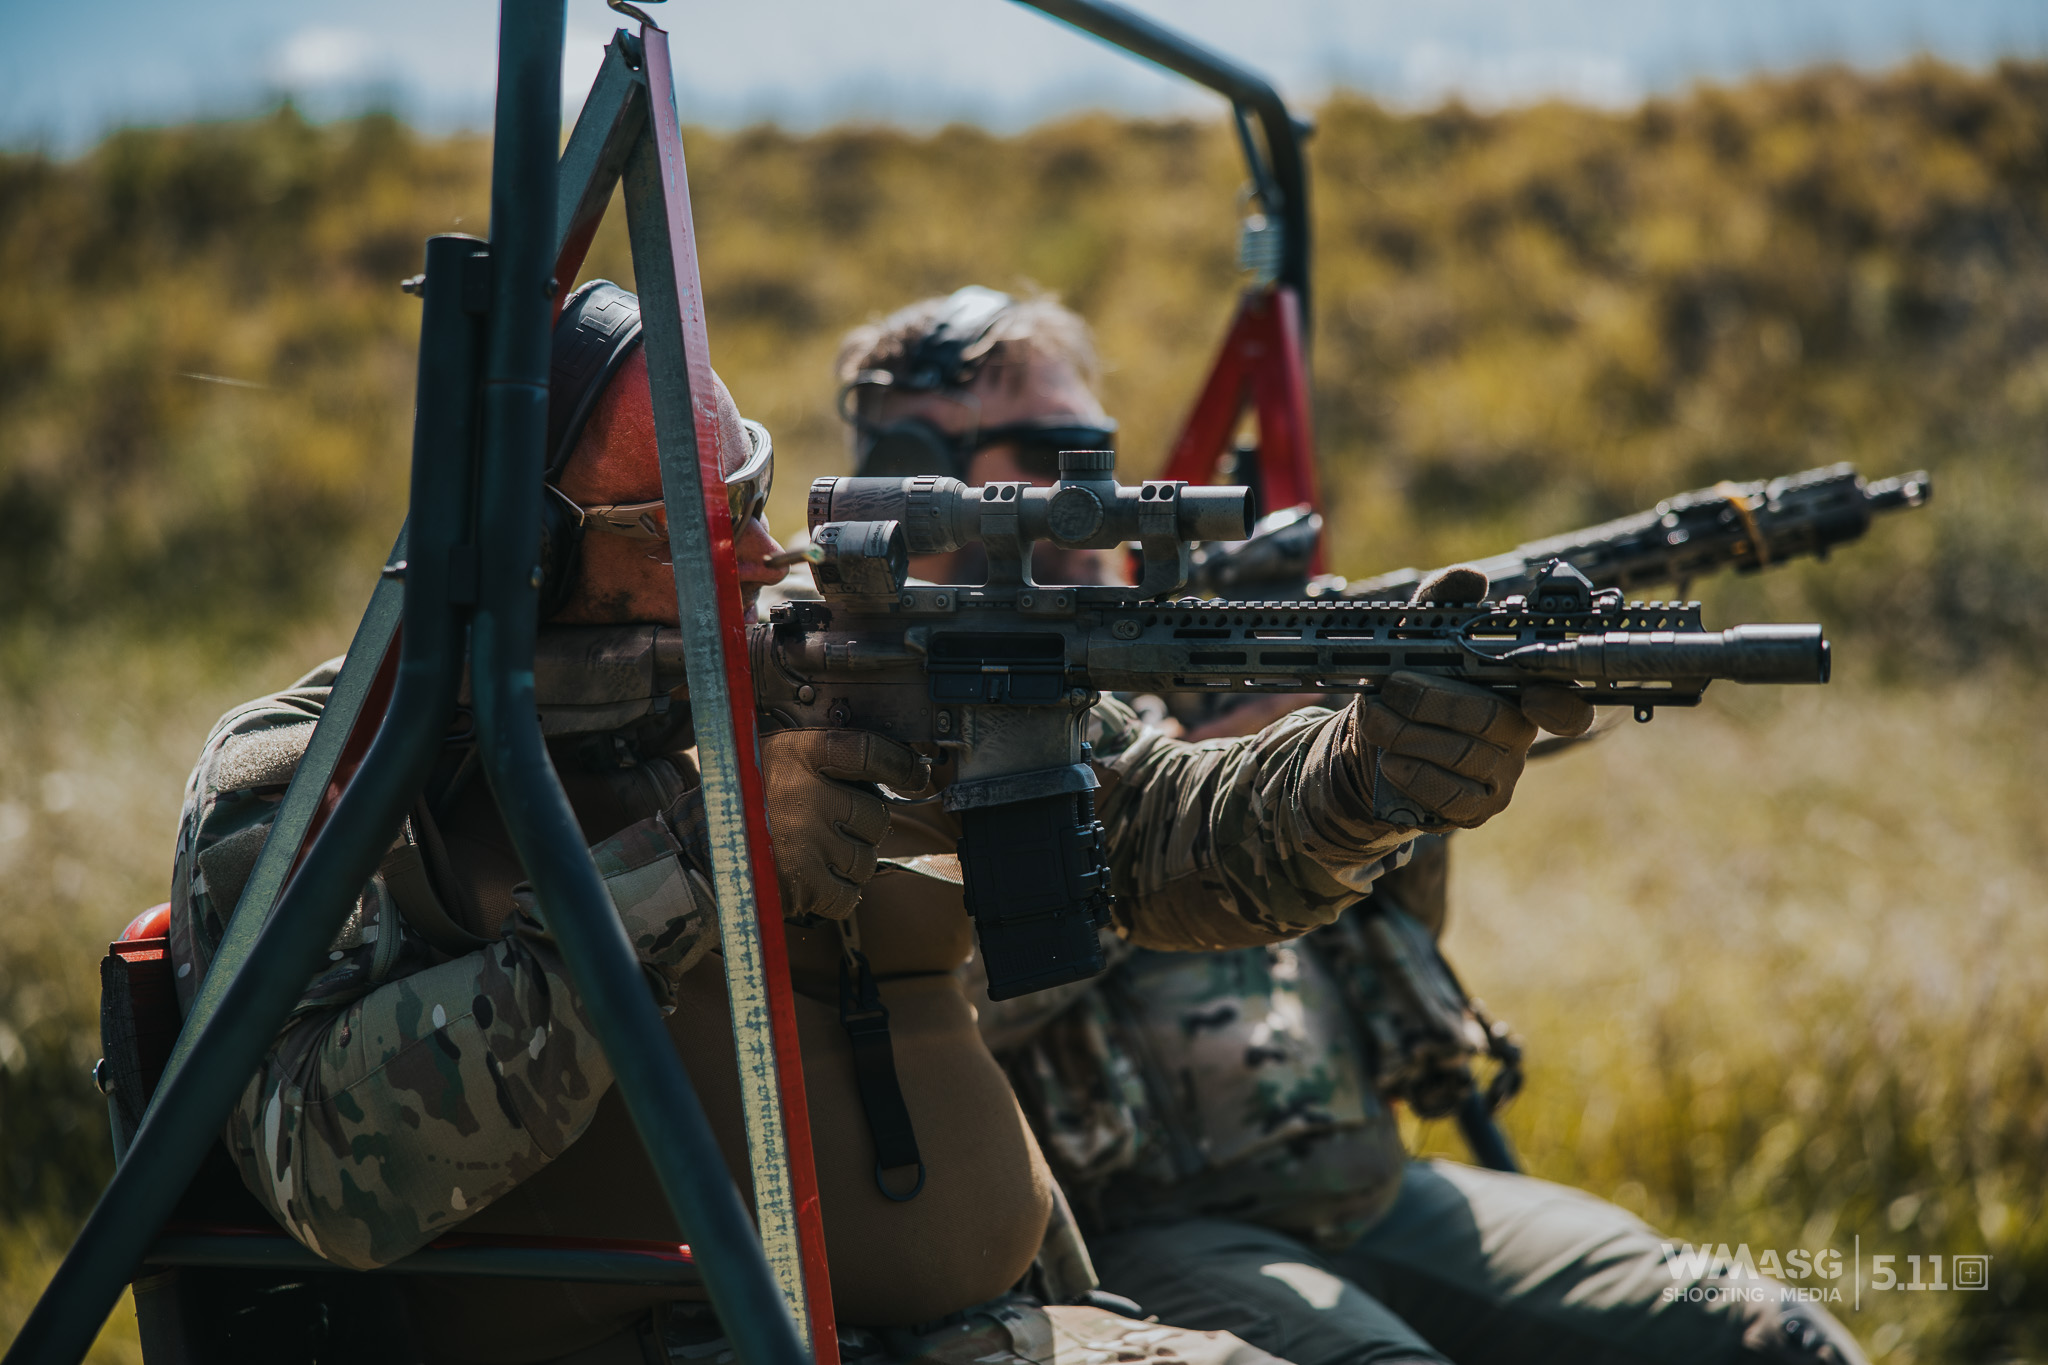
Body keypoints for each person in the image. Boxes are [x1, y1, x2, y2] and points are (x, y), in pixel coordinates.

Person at [164, 280, 1563, 1364]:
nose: (765, 555)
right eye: (687, 522)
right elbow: (330, 1168)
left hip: (1021, 1333)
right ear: (529, 552)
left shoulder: (831, 661)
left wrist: (1366, 771)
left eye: (755, 493)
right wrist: (703, 869)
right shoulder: (321, 779)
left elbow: (1163, 839)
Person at [835, 288, 1868, 1365]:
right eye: (1054, 446)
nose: (1092, 480)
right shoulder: (850, 716)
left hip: (1377, 1191)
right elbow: (923, 1015)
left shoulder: (1154, 665)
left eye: (1097, 443)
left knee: (1769, 1338)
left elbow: (1398, 916)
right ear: (913, 467)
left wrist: (1359, 760)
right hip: (1143, 1234)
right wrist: (1190, 765)